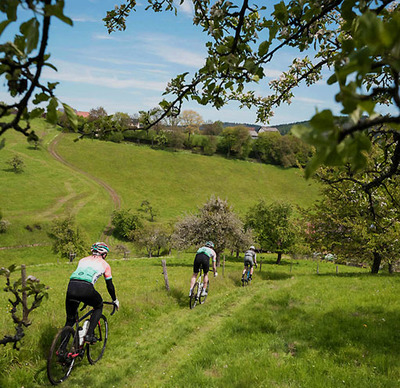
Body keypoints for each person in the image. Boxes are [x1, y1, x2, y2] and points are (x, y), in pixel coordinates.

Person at [64, 242, 119, 343]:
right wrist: (114, 300)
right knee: (99, 306)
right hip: (86, 288)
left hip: (71, 286)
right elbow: (109, 285)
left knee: (70, 320)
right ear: (104, 254)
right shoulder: (105, 264)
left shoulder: (82, 260)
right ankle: (89, 335)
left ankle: (61, 350)